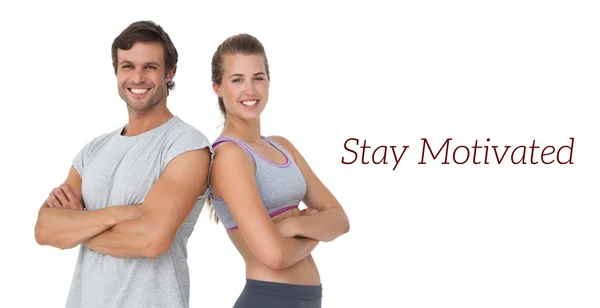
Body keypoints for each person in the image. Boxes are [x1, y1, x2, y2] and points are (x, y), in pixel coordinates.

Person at [33, 20, 213, 308]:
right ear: (116, 71)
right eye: (127, 66)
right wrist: (123, 214)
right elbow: (44, 230)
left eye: (150, 67)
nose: (137, 78)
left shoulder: (186, 145)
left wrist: (79, 225)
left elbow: (151, 241)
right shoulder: (93, 150)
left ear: (170, 72)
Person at [207, 33, 350, 308]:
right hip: (267, 299)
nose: (250, 90)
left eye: (257, 77)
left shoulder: (283, 146)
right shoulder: (230, 156)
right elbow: (275, 256)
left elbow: (341, 221)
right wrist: (317, 228)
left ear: (268, 82)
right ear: (218, 88)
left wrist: (294, 224)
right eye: (237, 80)